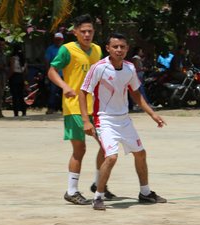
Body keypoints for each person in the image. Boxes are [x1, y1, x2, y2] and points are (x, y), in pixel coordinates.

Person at [79, 32, 167, 211]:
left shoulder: (129, 68)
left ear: (127, 49)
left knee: (140, 154)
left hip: (124, 119)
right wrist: (85, 121)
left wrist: (152, 114)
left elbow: (135, 93)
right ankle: (98, 197)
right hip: (104, 119)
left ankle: (145, 192)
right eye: (115, 47)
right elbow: (83, 92)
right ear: (108, 49)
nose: (119, 50)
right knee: (111, 157)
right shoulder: (99, 68)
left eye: (122, 47)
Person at [48, 14, 110, 205]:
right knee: (79, 149)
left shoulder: (97, 50)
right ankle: (71, 190)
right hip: (74, 107)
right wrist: (65, 86)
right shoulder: (67, 49)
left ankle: (99, 183)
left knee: (107, 146)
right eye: (82, 31)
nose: (86, 34)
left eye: (89, 31)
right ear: (75, 32)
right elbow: (52, 71)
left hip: (96, 108)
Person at [44, 32, 64, 114]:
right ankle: (51, 108)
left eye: (59, 39)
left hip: (64, 74)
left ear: (62, 40)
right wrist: (47, 73)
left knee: (64, 92)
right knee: (52, 92)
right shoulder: (50, 49)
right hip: (54, 75)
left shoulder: (65, 49)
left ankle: (64, 108)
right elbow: (46, 62)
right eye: (56, 39)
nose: (58, 41)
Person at [8, 43, 27, 117]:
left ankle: (16, 112)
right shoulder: (23, 59)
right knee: (21, 95)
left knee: (15, 96)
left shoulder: (13, 58)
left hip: (14, 77)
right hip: (21, 77)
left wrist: (8, 77)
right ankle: (24, 111)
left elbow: (12, 69)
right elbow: (26, 71)